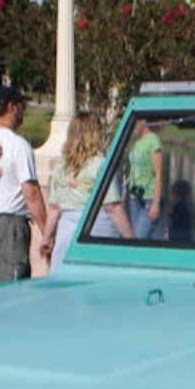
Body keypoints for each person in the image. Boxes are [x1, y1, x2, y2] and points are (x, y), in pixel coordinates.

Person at [0, 86, 51, 285]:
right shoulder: (19, 146)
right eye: (22, 106)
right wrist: (47, 234)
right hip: (10, 225)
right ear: (12, 108)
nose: (24, 111)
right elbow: (31, 193)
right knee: (14, 284)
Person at [40, 111, 134, 274]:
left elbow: (54, 209)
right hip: (96, 229)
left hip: (66, 231)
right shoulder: (101, 165)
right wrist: (131, 239)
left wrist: (47, 237)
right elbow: (112, 207)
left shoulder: (60, 167)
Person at [125, 119, 166, 238]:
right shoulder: (137, 142)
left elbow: (158, 174)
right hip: (135, 199)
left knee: (139, 238)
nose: (131, 127)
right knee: (137, 239)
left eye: (133, 123)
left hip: (149, 199)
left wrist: (156, 203)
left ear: (142, 121)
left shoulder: (153, 141)